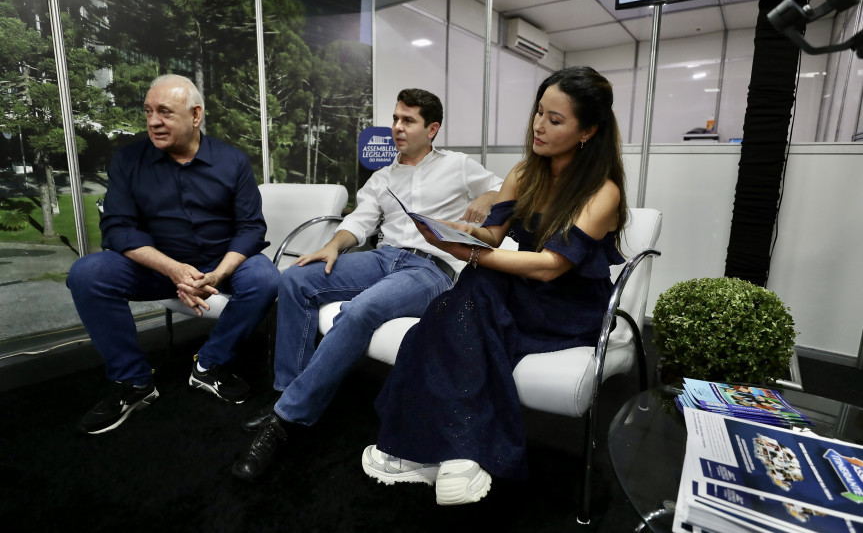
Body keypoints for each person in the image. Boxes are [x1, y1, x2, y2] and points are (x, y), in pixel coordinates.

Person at [360, 66, 628, 505]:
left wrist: (470, 253)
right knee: (455, 306)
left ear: (588, 131)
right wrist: (448, 231)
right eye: (539, 112)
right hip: (518, 289)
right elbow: (492, 236)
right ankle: (457, 455)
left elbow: (550, 267)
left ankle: (444, 449)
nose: (539, 126)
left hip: (568, 304)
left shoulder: (603, 191)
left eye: (555, 120)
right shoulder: (525, 173)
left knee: (465, 296)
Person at [232, 88, 502, 482]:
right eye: (395, 118)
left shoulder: (458, 166)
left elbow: (505, 187)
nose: (396, 127)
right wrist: (332, 247)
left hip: (429, 268)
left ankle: (283, 421)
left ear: (432, 129)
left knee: (359, 310)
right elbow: (359, 223)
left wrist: (488, 199)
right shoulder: (383, 176)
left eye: (407, 120)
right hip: (382, 256)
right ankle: (287, 393)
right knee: (294, 280)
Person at [67, 74, 280, 435]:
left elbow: (250, 228)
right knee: (86, 274)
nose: (153, 122)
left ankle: (209, 365)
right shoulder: (128, 161)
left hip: (220, 260)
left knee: (266, 279)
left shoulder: (233, 162)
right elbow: (118, 227)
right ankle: (134, 382)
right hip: (156, 265)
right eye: (148, 112)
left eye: (164, 112)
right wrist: (173, 270)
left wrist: (214, 275)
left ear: (195, 115)